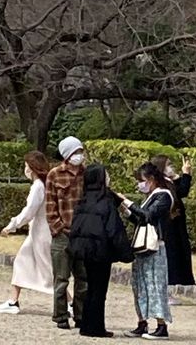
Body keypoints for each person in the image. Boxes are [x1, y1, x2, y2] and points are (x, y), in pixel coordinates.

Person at [69, 163, 133, 338]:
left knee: (90, 288)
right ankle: (95, 327)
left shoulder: (83, 200)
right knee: (99, 290)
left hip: (86, 250)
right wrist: (126, 253)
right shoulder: (106, 202)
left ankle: (86, 324)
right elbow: (114, 229)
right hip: (101, 250)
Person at [0, 151, 53, 314]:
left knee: (48, 270)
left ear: (32, 168)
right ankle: (13, 301)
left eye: (26, 166)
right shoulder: (44, 185)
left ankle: (69, 303)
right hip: (38, 232)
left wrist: (12, 225)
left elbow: (29, 212)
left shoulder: (38, 187)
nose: (25, 169)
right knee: (22, 261)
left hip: (41, 233)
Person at [123, 162, 175, 340]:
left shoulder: (163, 196)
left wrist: (127, 203)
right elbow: (141, 221)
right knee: (139, 286)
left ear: (152, 179)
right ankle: (142, 322)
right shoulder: (151, 195)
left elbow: (148, 216)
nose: (140, 184)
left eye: (142, 180)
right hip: (143, 247)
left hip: (155, 248)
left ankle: (161, 326)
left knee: (155, 285)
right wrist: (127, 211)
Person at [46, 136, 88, 330]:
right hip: (62, 235)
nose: (79, 155)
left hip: (82, 234)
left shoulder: (87, 174)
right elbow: (50, 205)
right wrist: (58, 228)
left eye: (80, 151)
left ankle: (80, 315)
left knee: (83, 278)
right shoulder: (54, 175)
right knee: (61, 279)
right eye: (75, 152)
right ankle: (61, 315)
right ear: (66, 154)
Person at [151, 154, 195, 289]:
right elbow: (181, 191)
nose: (171, 167)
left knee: (175, 257)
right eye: (168, 165)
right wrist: (186, 175)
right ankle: (166, 290)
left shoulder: (167, 181)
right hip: (169, 228)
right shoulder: (163, 184)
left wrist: (179, 177)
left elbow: (180, 191)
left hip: (174, 226)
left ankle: (169, 288)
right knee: (170, 257)